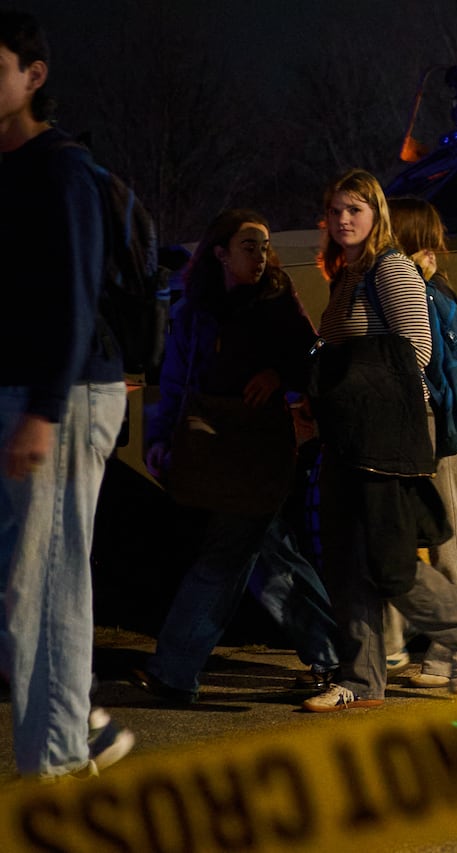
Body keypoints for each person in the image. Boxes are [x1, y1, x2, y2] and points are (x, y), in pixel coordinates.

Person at [131, 209, 340, 703]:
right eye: (250, 245)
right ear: (221, 253)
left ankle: (175, 670)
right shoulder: (197, 308)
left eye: (265, 245)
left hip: (260, 450)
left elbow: (311, 355)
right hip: (214, 451)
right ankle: (337, 653)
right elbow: (178, 383)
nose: (261, 255)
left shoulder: (277, 300)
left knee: (226, 552)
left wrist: (277, 375)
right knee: (269, 557)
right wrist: (161, 441)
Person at [0, 9, 133, 779]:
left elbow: (76, 296)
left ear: (34, 77)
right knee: (26, 587)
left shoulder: (61, 168)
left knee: (43, 590)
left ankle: (53, 765)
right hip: (28, 391)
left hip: (66, 394)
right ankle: (69, 734)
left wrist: (44, 409)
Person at [306, 169, 457, 711]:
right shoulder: (347, 274)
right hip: (347, 431)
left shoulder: (390, 269)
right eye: (336, 210)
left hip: (386, 430)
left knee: (387, 556)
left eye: (354, 210)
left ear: (377, 215)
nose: (343, 220)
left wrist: (359, 389)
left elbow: (418, 352)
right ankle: (360, 680)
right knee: (345, 555)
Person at [381, 196, 457, 687]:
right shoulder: (426, 286)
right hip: (432, 427)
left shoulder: (422, 292)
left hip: (439, 429)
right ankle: (392, 646)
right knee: (412, 537)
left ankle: (456, 648)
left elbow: (426, 364)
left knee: (445, 537)